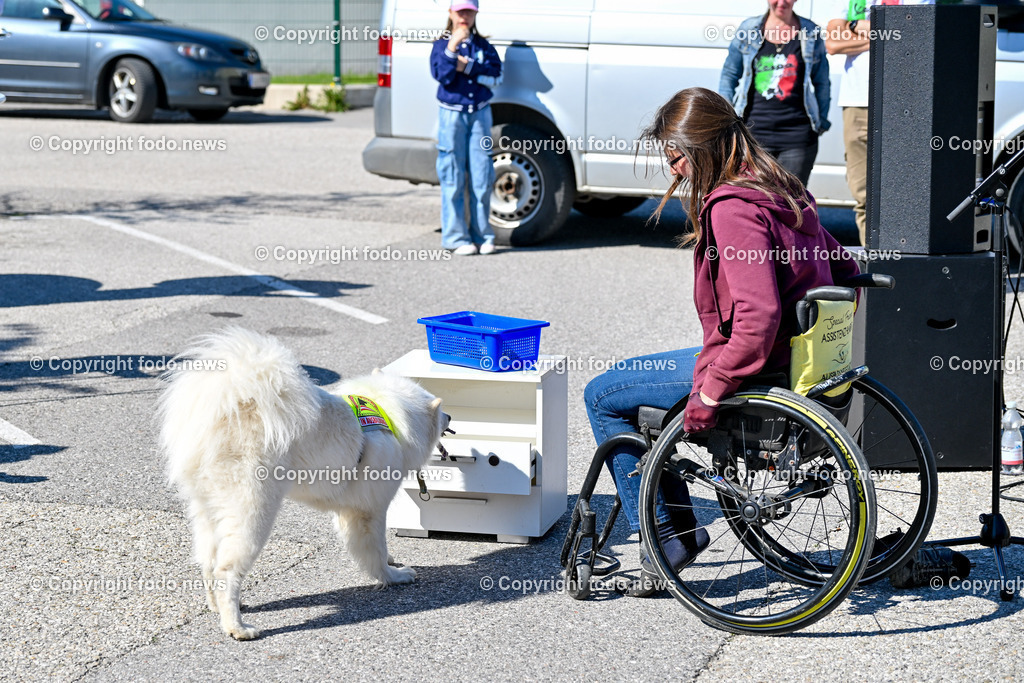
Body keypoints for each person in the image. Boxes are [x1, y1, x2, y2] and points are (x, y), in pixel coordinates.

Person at [583, 87, 860, 593]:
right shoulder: (781, 185)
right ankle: (673, 525)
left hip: (754, 367)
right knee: (633, 375)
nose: (673, 171)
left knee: (603, 394)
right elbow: (844, 264)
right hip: (798, 363)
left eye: (676, 157)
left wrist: (711, 392)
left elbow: (758, 317)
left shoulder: (733, 207)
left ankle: (668, 534)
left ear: (703, 148)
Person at [825, 0, 933, 245]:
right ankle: (874, 265)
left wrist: (855, 27)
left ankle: (903, 262)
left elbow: (918, 35)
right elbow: (832, 43)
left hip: (904, 103)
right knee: (864, 194)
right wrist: (884, 37)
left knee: (904, 192)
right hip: (858, 103)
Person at [719, 0, 830, 188]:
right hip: (753, 135)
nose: (782, 2)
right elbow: (729, 75)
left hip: (798, 137)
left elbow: (822, 82)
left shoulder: (810, 32)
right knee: (754, 198)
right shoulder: (749, 29)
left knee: (791, 203)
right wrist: (728, 120)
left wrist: (820, 122)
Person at [429, 0, 502, 256]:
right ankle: (455, 237)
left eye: (469, 11)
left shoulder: (483, 46)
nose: (465, 17)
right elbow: (443, 75)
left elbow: (496, 75)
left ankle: (483, 235)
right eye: (460, 11)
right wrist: (452, 49)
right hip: (451, 115)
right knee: (453, 175)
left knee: (482, 175)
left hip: (480, 114)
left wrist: (467, 67)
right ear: (450, 13)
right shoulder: (441, 45)